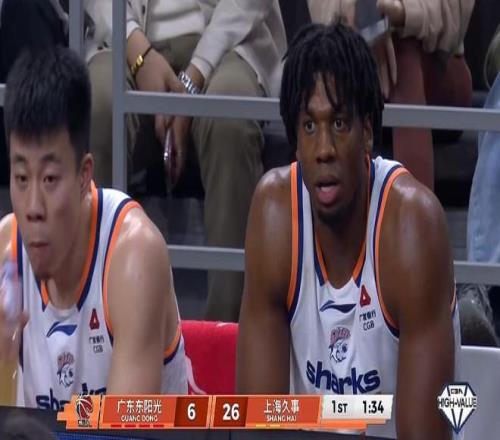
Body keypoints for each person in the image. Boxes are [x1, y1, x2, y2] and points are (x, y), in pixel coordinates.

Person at [237, 22, 461, 439]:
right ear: (294, 141)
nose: (324, 149)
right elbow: (258, 425)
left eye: (339, 123)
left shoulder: (412, 226)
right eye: (309, 127)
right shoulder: (274, 216)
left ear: (367, 134)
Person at [0, 46, 187, 409]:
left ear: (84, 175)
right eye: (21, 178)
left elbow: (124, 432)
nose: (33, 208)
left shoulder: (133, 256)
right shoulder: (6, 253)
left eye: (50, 179)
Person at [84, 0, 287, 322]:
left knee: (230, 123)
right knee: (96, 108)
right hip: (123, 40)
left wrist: (194, 75)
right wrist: (139, 54)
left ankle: (226, 331)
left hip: (229, 40)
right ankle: (98, 324)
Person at [307, 0, 475, 191]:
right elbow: (322, 17)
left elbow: (454, 14)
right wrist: (366, 20)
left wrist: (401, 15)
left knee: (403, 52)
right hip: (353, 60)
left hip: (437, 71)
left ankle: (413, 204)